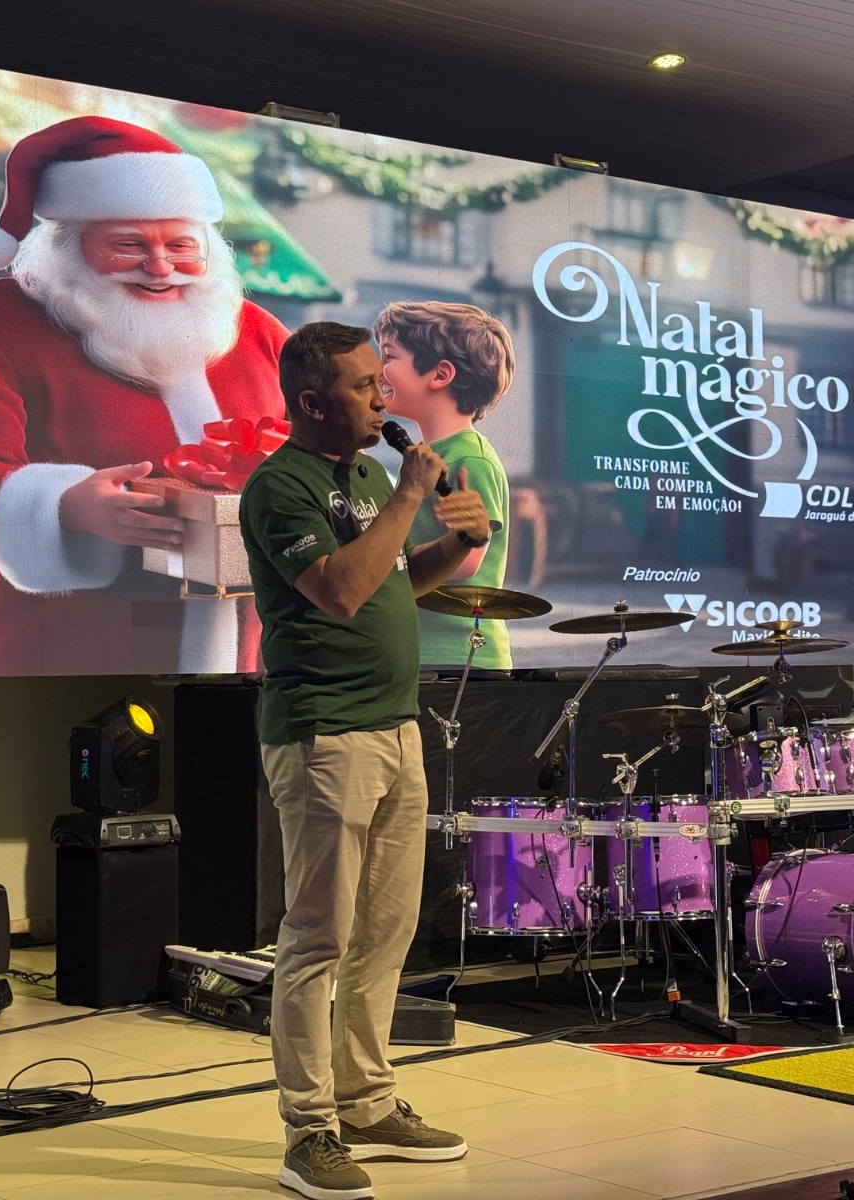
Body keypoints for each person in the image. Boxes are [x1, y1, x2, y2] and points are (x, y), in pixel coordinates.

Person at [0, 116, 287, 676]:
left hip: (260, 655)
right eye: (128, 245)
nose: (162, 266)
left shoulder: (258, 332)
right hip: (74, 652)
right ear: (68, 245)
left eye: (182, 245)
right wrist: (66, 505)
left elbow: (327, 445)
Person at [240, 322, 487, 1200]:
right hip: (323, 734)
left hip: (394, 728)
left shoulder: (366, 473)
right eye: (362, 387)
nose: (384, 401)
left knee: (385, 931)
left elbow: (388, 575)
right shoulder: (279, 486)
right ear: (312, 402)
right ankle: (309, 1130)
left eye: (381, 385)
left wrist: (459, 547)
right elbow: (340, 592)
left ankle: (368, 1101)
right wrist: (412, 499)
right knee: (318, 937)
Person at [373, 301, 515, 669]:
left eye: (389, 356)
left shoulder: (470, 459)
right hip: (419, 648)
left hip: (458, 655)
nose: (378, 369)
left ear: (440, 375)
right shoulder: (428, 455)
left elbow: (467, 559)